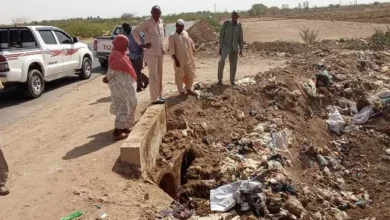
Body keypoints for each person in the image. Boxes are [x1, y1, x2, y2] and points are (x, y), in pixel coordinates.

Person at [106, 35, 138, 140]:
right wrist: (107, 78)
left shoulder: (122, 54)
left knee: (132, 102)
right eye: (125, 44)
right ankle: (118, 129)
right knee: (124, 105)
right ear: (119, 44)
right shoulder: (115, 56)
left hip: (127, 85)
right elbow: (111, 72)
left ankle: (125, 126)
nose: (127, 46)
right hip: (120, 86)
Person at [132, 5, 166, 105]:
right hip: (151, 53)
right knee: (153, 76)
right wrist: (141, 44)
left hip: (160, 52)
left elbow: (162, 35)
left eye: (158, 13)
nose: (156, 15)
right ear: (151, 13)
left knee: (160, 75)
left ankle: (159, 95)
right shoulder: (147, 22)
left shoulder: (161, 21)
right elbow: (135, 31)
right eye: (154, 13)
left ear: (160, 13)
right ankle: (154, 98)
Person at [168, 19, 197, 95]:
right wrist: (176, 60)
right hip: (179, 59)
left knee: (190, 73)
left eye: (182, 27)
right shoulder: (172, 36)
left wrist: (193, 48)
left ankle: (188, 88)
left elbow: (190, 41)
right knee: (179, 75)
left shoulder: (185, 33)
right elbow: (171, 48)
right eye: (180, 27)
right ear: (176, 26)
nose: (181, 28)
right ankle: (181, 91)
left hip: (188, 58)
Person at [218, 11, 244, 86]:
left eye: (236, 17)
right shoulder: (226, 24)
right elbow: (221, 35)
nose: (234, 18)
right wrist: (220, 47)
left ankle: (232, 81)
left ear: (237, 17)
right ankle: (220, 80)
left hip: (234, 48)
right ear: (231, 17)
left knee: (233, 65)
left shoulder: (239, 26)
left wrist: (241, 49)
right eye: (233, 16)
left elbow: (240, 38)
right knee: (221, 62)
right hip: (225, 46)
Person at [122, 23, 149, 92]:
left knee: (137, 71)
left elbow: (142, 42)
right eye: (124, 28)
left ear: (129, 27)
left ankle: (139, 87)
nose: (125, 29)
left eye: (126, 27)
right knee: (135, 71)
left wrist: (141, 53)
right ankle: (146, 80)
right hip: (131, 55)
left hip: (138, 55)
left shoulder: (135, 34)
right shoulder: (125, 36)